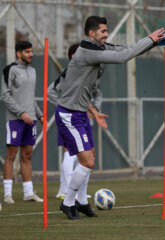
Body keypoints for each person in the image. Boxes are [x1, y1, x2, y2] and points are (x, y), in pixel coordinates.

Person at [55, 16, 165, 219]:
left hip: (81, 113)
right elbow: (122, 57)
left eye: (107, 31)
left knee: (89, 160)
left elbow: (125, 50)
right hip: (69, 114)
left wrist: (152, 43)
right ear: (91, 33)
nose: (107, 34)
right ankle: (68, 202)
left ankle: (82, 202)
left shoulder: (98, 48)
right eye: (103, 31)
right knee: (86, 162)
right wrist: (149, 39)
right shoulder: (88, 51)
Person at [48, 43, 104, 202]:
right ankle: (65, 191)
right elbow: (50, 91)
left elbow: (98, 93)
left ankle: (76, 194)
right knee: (69, 153)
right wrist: (63, 105)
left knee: (87, 157)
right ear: (73, 56)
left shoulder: (89, 72)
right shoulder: (68, 73)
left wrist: (95, 109)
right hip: (68, 117)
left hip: (83, 117)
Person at [1, 41, 44, 204]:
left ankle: (28, 193)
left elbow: (30, 98)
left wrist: (39, 115)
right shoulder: (10, 70)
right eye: (27, 52)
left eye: (31, 51)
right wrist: (21, 112)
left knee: (27, 155)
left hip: (31, 119)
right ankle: (7, 194)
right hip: (15, 120)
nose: (31, 54)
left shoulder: (33, 71)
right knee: (11, 155)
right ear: (19, 54)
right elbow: (5, 96)